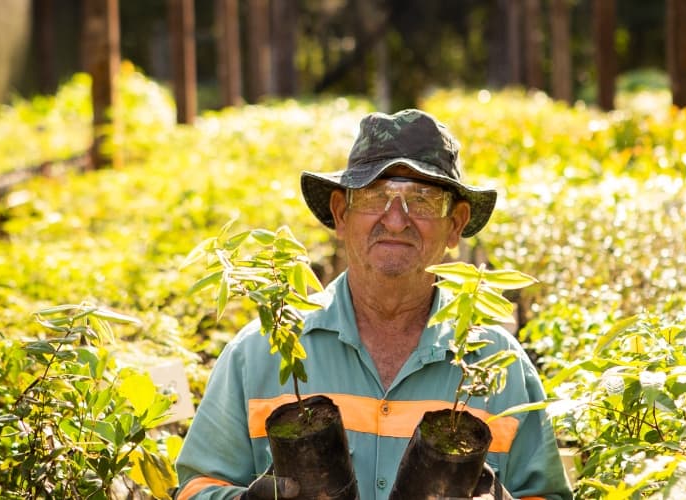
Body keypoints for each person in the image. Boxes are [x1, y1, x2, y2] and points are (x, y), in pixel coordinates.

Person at [174, 109, 572, 500]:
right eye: (374, 196)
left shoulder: (498, 364)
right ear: (340, 214)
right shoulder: (258, 353)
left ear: (455, 225)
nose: (396, 220)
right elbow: (196, 487)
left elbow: (546, 494)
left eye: (423, 200)